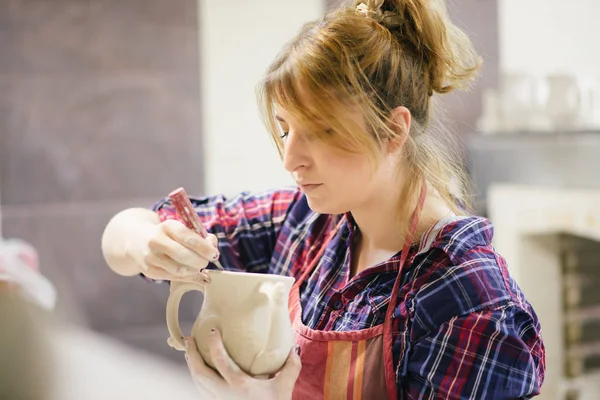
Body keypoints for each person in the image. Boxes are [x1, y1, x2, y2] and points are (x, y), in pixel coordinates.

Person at [101, 0, 546, 398]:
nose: (291, 159)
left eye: (320, 130)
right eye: (285, 129)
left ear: (393, 130)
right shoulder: (305, 223)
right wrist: (149, 245)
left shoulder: (468, 301)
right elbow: (124, 233)